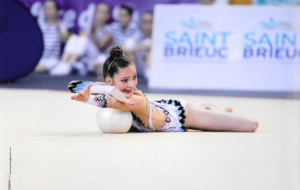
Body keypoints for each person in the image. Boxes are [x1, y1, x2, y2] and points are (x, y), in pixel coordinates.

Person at [68, 46, 259, 133]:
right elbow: (83, 87)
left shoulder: (133, 99)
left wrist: (87, 98)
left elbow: (113, 102)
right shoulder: (114, 92)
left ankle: (212, 110)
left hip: (183, 115)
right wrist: (94, 91)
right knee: (206, 112)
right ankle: (210, 108)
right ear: (110, 81)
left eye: (134, 77)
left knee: (251, 125)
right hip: (162, 109)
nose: (132, 84)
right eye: (124, 80)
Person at [50, 3, 112, 76]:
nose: (103, 15)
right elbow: (79, 45)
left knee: (84, 39)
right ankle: (64, 62)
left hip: (99, 56)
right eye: (100, 12)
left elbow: (100, 48)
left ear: (108, 16)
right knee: (74, 37)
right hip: (86, 58)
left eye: (105, 12)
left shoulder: (109, 30)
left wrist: (92, 33)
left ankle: (70, 63)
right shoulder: (87, 27)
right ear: (95, 13)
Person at [34, 0, 70, 73]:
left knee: (64, 68)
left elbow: (65, 40)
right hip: (39, 58)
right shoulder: (38, 25)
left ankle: (35, 70)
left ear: (57, 11)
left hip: (52, 60)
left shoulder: (61, 24)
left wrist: (58, 28)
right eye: (47, 8)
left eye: (51, 8)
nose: (49, 10)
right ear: (43, 11)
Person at [124, 12, 153, 79]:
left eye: (150, 22)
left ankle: (149, 74)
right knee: (128, 53)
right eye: (145, 22)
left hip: (153, 68)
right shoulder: (137, 35)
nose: (147, 25)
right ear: (141, 24)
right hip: (139, 67)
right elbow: (125, 47)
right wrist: (131, 51)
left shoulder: (158, 36)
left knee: (149, 48)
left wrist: (138, 48)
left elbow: (149, 45)